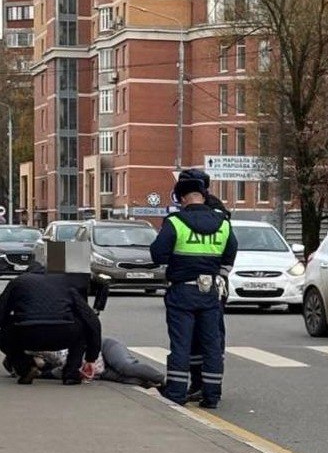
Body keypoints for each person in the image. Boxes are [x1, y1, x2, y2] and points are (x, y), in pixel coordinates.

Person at [151, 176, 237, 408]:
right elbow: (230, 253)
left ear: (182, 198)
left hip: (182, 290)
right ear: (203, 196)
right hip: (211, 292)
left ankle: (176, 392)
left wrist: (176, 263)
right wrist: (216, 274)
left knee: (181, 343)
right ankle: (211, 396)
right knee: (211, 344)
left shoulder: (176, 222)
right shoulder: (223, 223)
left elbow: (158, 254)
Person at [176, 168, 231, 401]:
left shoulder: (210, 210)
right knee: (206, 337)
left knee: (205, 338)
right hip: (212, 283)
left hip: (205, 284)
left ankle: (203, 383)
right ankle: (206, 385)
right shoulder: (214, 208)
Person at [0, 263, 102, 385]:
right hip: (63, 334)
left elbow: (2, 310)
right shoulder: (66, 282)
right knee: (81, 328)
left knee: (5, 333)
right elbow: (91, 320)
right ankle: (71, 374)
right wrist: (91, 357)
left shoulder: (19, 282)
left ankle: (26, 368)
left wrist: (9, 327)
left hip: (28, 334)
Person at [32, 337, 165, 388]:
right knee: (129, 380)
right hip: (98, 370)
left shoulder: (47, 349)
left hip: (102, 349)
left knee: (126, 367)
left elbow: (69, 363)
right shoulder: (50, 370)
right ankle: (157, 386)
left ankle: (164, 379)